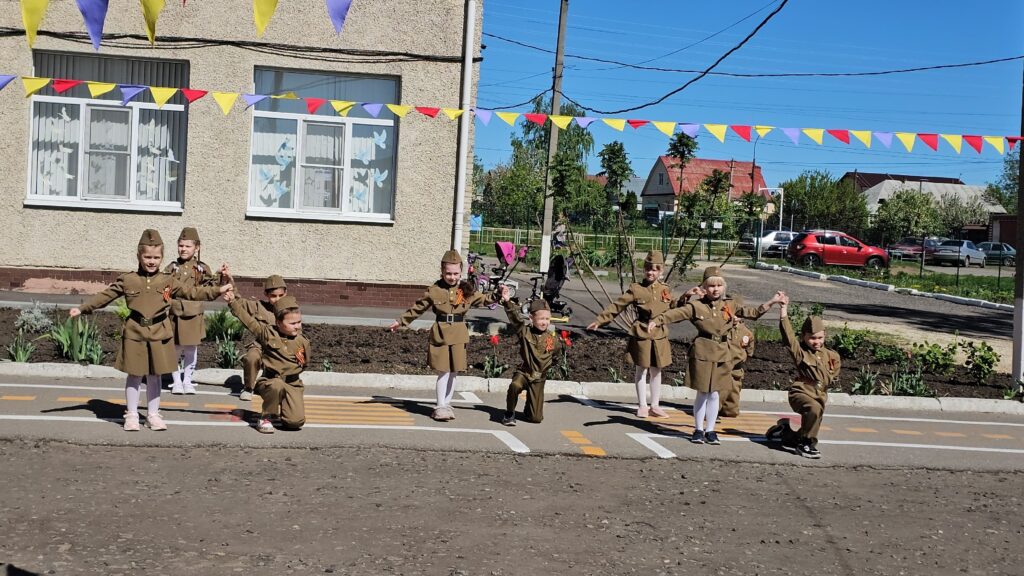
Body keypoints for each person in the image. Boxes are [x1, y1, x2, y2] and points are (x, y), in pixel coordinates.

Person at [69, 229, 232, 431]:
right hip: (135, 331)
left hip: (159, 331)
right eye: (147, 257)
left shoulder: (167, 280)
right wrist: (84, 308)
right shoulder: (128, 279)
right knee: (135, 375)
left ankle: (153, 414)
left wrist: (219, 289)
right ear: (139, 256)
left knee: (155, 375)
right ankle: (131, 414)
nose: (152, 261)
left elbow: (193, 292)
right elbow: (106, 295)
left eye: (156, 257)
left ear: (162, 257)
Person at [651, 266, 783, 445]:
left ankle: (711, 430)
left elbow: (753, 313)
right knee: (703, 393)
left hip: (722, 353)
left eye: (719, 286)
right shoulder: (697, 306)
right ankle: (698, 429)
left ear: (724, 287)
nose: (715, 289)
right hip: (703, 352)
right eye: (711, 286)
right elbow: (676, 314)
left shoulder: (730, 305)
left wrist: (772, 301)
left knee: (715, 394)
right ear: (704, 288)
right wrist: (657, 321)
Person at [388, 250, 498, 421]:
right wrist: (401, 321)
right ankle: (439, 406)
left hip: (459, 333)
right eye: (448, 273)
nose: (452, 277)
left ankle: (447, 403)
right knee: (444, 371)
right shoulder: (435, 290)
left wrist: (499, 295)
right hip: (441, 334)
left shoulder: (466, 289)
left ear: (460, 272)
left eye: (455, 273)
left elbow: (483, 299)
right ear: (442, 271)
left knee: (454, 371)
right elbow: (418, 308)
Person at [586, 250, 678, 418]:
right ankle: (642, 405)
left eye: (655, 269)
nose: (651, 272)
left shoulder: (665, 289)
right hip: (642, 333)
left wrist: (688, 296)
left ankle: (655, 405)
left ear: (661, 271)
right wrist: (601, 320)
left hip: (659, 335)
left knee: (657, 371)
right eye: (648, 268)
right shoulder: (636, 289)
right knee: (641, 369)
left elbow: (674, 307)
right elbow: (617, 305)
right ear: (644, 270)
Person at [765, 295, 840, 459]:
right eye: (812, 338)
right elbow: (788, 335)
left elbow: (831, 377)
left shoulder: (832, 356)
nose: (816, 341)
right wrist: (783, 309)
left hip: (819, 395)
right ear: (804, 337)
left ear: (825, 335)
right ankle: (806, 444)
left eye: (820, 337)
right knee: (813, 409)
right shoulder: (800, 352)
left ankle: (785, 431)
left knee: (812, 419)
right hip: (801, 391)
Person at [227, 292, 310, 434]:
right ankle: (265, 417)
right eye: (292, 323)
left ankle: (285, 405)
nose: (297, 326)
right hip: (270, 380)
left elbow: (304, 363)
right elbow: (248, 321)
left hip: (292, 383)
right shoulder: (267, 334)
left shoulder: (302, 341)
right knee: (276, 385)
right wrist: (232, 302)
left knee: (295, 422)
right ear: (278, 323)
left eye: (299, 322)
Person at [499, 285, 567, 426]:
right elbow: (515, 319)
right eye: (541, 319)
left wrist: (546, 369)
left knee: (535, 418)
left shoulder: (553, 340)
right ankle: (509, 413)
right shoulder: (525, 332)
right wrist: (507, 301)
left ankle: (529, 408)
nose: (544, 322)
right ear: (531, 318)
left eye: (547, 319)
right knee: (515, 385)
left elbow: (555, 357)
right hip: (525, 372)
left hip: (538, 378)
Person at [165, 227, 219, 395]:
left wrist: (221, 277)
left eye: (188, 246)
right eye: (181, 245)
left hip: (194, 314)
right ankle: (176, 382)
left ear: (197, 248)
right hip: (176, 313)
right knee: (175, 349)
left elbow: (212, 287)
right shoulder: (172, 267)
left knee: (190, 349)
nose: (183, 249)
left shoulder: (202, 268)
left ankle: (187, 380)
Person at [233, 274, 289, 401]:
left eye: (281, 295)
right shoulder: (259, 307)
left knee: (277, 386)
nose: (277, 299)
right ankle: (248, 387)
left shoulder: (291, 309)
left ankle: (268, 383)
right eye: (273, 296)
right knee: (251, 357)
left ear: (286, 293)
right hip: (261, 346)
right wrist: (228, 280)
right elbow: (238, 302)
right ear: (266, 294)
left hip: (280, 349)